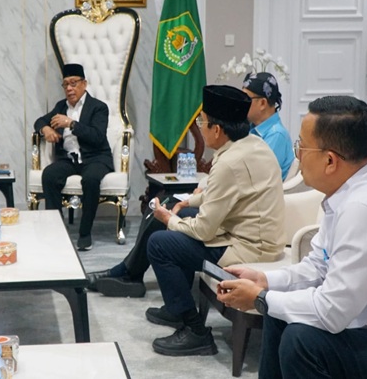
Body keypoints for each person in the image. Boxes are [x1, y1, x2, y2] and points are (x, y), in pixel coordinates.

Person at [217, 96, 367, 378]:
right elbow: (318, 266)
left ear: (330, 160)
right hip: (362, 323)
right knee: (279, 310)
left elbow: (332, 312)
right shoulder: (346, 193)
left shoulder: (365, 209)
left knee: (301, 341)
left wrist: (260, 299)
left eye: (301, 146)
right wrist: (265, 281)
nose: (297, 156)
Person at [88, 79, 293, 297]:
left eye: (202, 122)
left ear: (217, 130)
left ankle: (182, 313)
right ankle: (129, 273)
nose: (200, 128)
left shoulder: (231, 161)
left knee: (160, 240)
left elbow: (204, 230)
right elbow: (228, 192)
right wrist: (187, 202)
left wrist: (169, 219)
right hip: (241, 231)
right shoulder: (249, 143)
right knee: (171, 205)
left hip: (250, 247)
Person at [34, 63, 113, 251]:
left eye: (73, 83)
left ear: (84, 84)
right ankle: (57, 230)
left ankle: (85, 234)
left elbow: (97, 137)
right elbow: (39, 121)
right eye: (65, 85)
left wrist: (71, 124)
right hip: (69, 159)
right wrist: (45, 129)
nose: (69, 88)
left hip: (95, 158)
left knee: (91, 179)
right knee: (49, 175)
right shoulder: (60, 107)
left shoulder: (98, 107)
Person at [242, 72, 294, 180]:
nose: (241, 104)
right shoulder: (251, 128)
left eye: (246, 99)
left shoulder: (276, 135)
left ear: (262, 103)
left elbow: (256, 175)